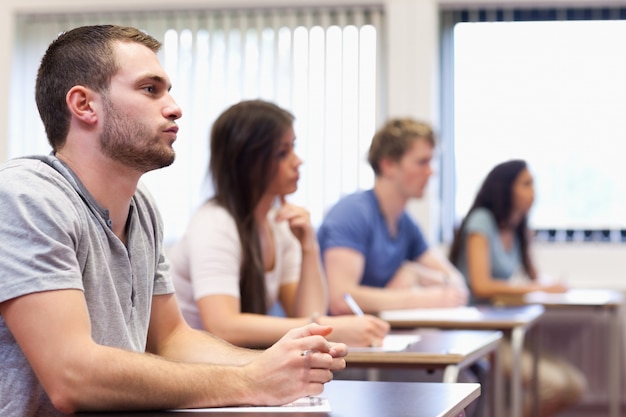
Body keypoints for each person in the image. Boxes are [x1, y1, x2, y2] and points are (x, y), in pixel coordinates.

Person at [0, 25, 347, 416]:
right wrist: (250, 380)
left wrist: (272, 365)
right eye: (151, 89)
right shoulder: (25, 196)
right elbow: (72, 376)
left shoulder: (142, 208)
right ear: (84, 105)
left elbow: (172, 340)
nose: (175, 107)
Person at [169, 99, 390, 349]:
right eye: (282, 153)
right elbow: (222, 326)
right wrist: (331, 329)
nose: (298, 161)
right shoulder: (215, 224)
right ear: (248, 162)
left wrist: (309, 247)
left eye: (293, 148)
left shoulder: (278, 223)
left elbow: (307, 314)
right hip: (197, 371)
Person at [448, 159, 586, 417]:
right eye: (526, 184)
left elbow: (534, 277)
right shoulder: (481, 221)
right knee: (553, 386)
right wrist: (536, 287)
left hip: (508, 329)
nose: (534, 191)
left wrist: (550, 285)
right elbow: (481, 284)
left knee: (574, 386)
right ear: (505, 188)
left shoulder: (518, 227)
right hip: (479, 333)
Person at [317, 117, 469, 315]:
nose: (431, 172)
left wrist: (416, 274)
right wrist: (421, 298)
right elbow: (341, 299)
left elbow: (456, 283)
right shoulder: (352, 214)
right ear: (388, 165)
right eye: (422, 162)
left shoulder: (406, 223)